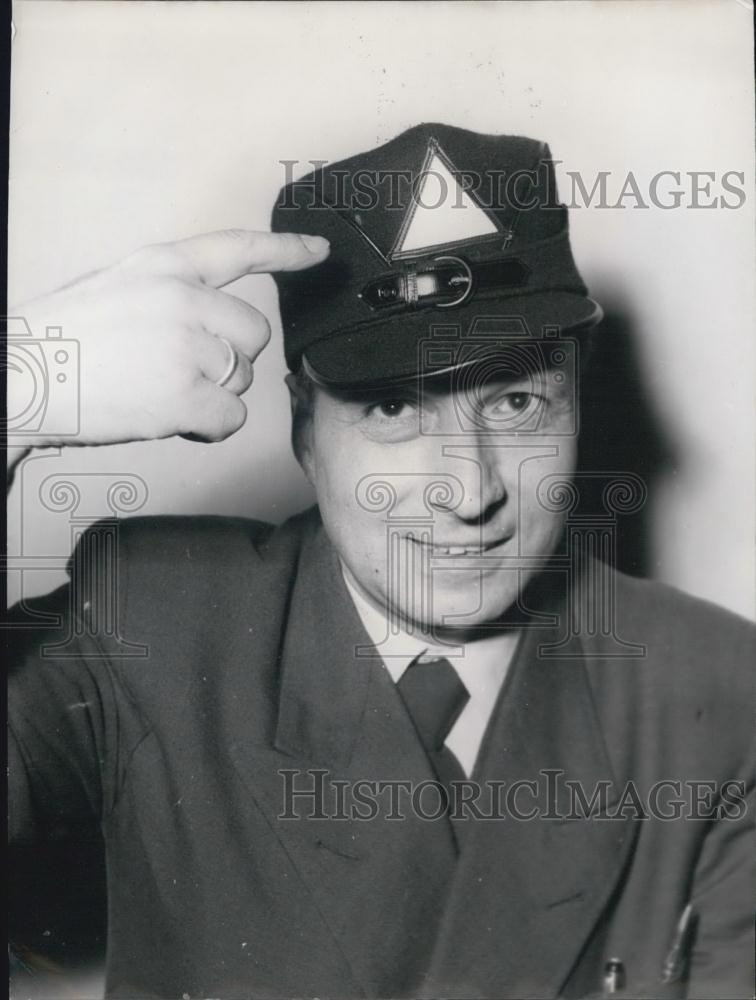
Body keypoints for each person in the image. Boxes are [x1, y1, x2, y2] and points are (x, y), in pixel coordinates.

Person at [7, 123, 754, 999]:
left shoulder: (717, 694)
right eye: (394, 408)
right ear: (304, 429)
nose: (467, 490)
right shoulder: (147, 627)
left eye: (517, 400)